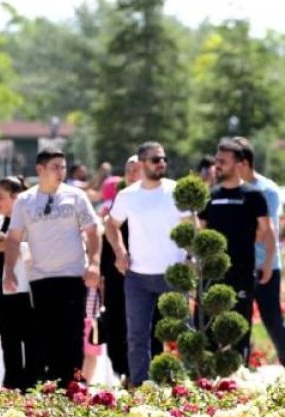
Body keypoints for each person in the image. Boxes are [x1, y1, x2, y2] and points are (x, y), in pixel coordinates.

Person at [3, 147, 102, 388]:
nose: (61, 172)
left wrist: (95, 263)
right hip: (40, 278)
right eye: (55, 167)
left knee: (72, 334)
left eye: (63, 167)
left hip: (72, 276)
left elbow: (93, 231)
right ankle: (53, 387)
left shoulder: (76, 196)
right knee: (47, 335)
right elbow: (13, 239)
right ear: (40, 169)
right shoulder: (25, 201)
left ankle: (74, 387)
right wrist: (9, 271)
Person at [107, 142, 190, 386]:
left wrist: (189, 257)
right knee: (137, 336)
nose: (161, 163)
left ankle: (186, 386)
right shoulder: (127, 195)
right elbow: (111, 225)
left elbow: (191, 226)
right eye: (155, 159)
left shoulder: (176, 191)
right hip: (138, 277)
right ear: (142, 164)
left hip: (173, 274)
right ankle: (140, 386)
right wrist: (120, 252)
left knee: (182, 332)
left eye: (163, 159)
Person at [198, 139, 275, 365]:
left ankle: (239, 373)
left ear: (239, 164)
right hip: (211, 274)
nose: (217, 165)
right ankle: (208, 376)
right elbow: (200, 232)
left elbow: (267, 231)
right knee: (207, 328)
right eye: (217, 161)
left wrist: (268, 262)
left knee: (240, 328)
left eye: (223, 161)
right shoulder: (210, 195)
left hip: (242, 272)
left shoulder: (253, 195)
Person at [233, 137, 285, 367]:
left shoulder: (266, 190)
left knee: (272, 319)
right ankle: (239, 367)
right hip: (239, 267)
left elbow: (264, 231)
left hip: (265, 265)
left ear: (244, 163)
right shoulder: (231, 189)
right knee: (239, 320)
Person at [0, 176, 39, 390]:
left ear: (16, 198)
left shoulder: (30, 221)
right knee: (9, 340)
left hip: (23, 289)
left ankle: (31, 384)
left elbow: (37, 251)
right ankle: (11, 383)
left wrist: (11, 245)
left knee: (30, 339)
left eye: (1, 197)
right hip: (0, 288)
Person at [97, 155, 142, 382]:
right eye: (129, 169)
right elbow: (107, 237)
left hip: (145, 276)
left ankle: (140, 376)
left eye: (137, 169)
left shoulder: (154, 203)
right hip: (116, 276)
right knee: (116, 325)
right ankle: (123, 373)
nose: (132, 174)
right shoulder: (118, 203)